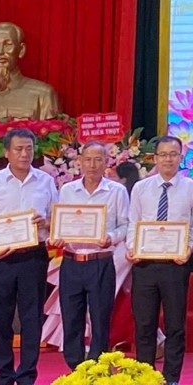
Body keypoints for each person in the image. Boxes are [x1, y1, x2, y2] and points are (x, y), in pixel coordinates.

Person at [0, 127, 58, 385]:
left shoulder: (45, 181)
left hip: (34, 257)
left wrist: (46, 223)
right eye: (19, 149)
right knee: (1, 319)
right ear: (6, 152)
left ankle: (27, 378)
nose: (24, 154)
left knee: (32, 319)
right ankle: (3, 379)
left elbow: (57, 220)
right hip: (2, 260)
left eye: (29, 149)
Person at [127, 136, 193, 385]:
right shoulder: (141, 188)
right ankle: (145, 378)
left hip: (175, 265)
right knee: (144, 324)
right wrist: (132, 248)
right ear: (155, 158)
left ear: (181, 157)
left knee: (175, 325)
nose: (168, 159)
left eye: (173, 154)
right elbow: (133, 222)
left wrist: (188, 248)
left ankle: (171, 379)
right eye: (163, 154)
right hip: (145, 265)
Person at [53, 142, 129, 370]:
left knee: (100, 318)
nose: (93, 165)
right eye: (88, 159)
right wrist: (58, 236)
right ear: (80, 162)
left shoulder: (117, 191)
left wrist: (110, 238)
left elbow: (126, 225)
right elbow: (60, 222)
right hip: (71, 262)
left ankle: (98, 366)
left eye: (98, 159)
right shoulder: (68, 190)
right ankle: (75, 367)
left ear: (106, 162)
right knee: (71, 317)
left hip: (101, 261)